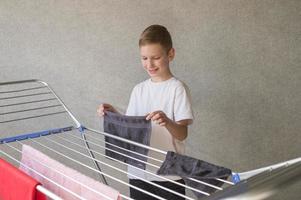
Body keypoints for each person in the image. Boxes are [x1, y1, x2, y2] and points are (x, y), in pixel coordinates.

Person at [97, 24, 194, 200]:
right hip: (138, 173)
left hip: (169, 175)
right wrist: (114, 114)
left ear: (170, 54)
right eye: (144, 58)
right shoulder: (138, 89)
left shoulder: (177, 89)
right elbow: (132, 127)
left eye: (155, 57)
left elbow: (182, 134)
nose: (149, 64)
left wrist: (167, 122)